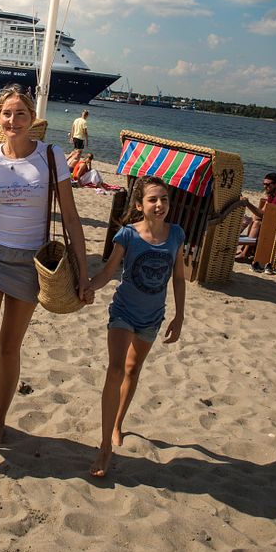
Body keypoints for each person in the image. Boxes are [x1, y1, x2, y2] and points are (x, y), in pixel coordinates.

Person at [0, 84, 90, 447]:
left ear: (33, 120)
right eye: (7, 114)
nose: (13, 120)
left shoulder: (51, 156)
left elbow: (72, 219)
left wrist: (84, 273)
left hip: (31, 263)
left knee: (10, 347)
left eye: (21, 114)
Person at [85, 176, 186, 478]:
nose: (160, 205)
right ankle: (104, 447)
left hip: (153, 317)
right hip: (124, 311)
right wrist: (89, 287)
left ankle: (117, 424)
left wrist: (179, 316)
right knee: (116, 369)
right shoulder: (127, 235)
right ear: (140, 205)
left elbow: (178, 277)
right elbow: (107, 272)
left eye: (164, 199)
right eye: (153, 199)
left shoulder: (176, 234)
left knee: (133, 369)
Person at [235, 172, 276, 262]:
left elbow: (263, 214)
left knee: (257, 223)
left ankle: (245, 253)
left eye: (268, 184)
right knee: (255, 219)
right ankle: (245, 250)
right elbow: (263, 211)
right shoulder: (272, 194)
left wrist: (248, 204)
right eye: (264, 184)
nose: (265, 186)